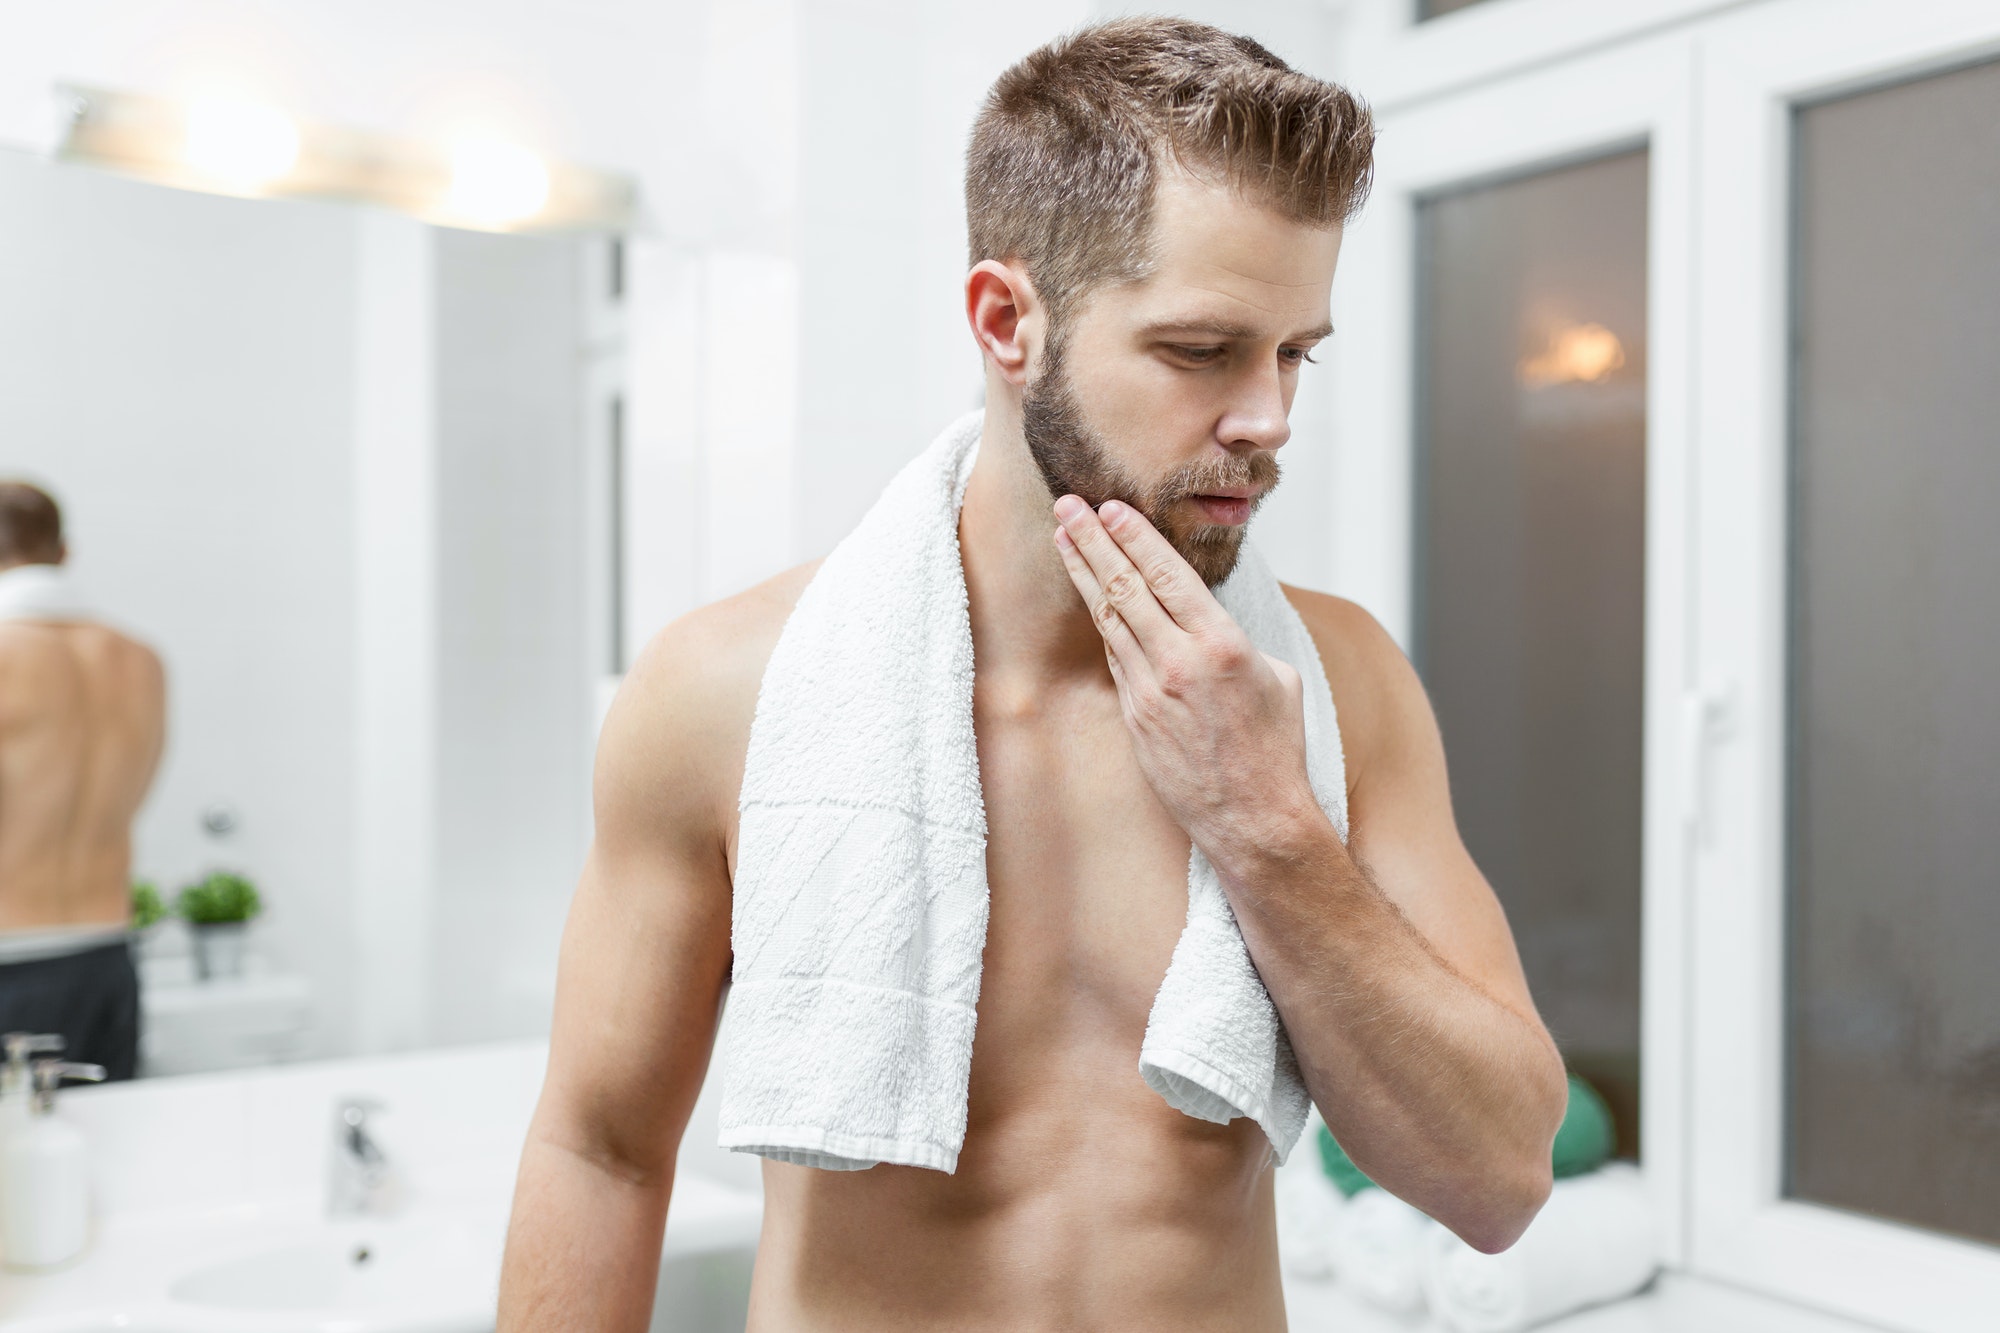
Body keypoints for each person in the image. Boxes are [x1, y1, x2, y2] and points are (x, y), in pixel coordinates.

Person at [499, 18, 1568, 1330]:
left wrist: (1266, 827)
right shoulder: (727, 694)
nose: (1270, 418)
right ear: (1008, 320)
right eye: (1202, 350)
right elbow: (599, 1153)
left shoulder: (1340, 689)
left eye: (1296, 353)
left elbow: (1502, 1179)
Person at [0, 482, 165, 1081]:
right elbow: (130, 799)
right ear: (63, 551)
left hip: (11, 962)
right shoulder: (140, 661)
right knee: (97, 1164)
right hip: (106, 959)